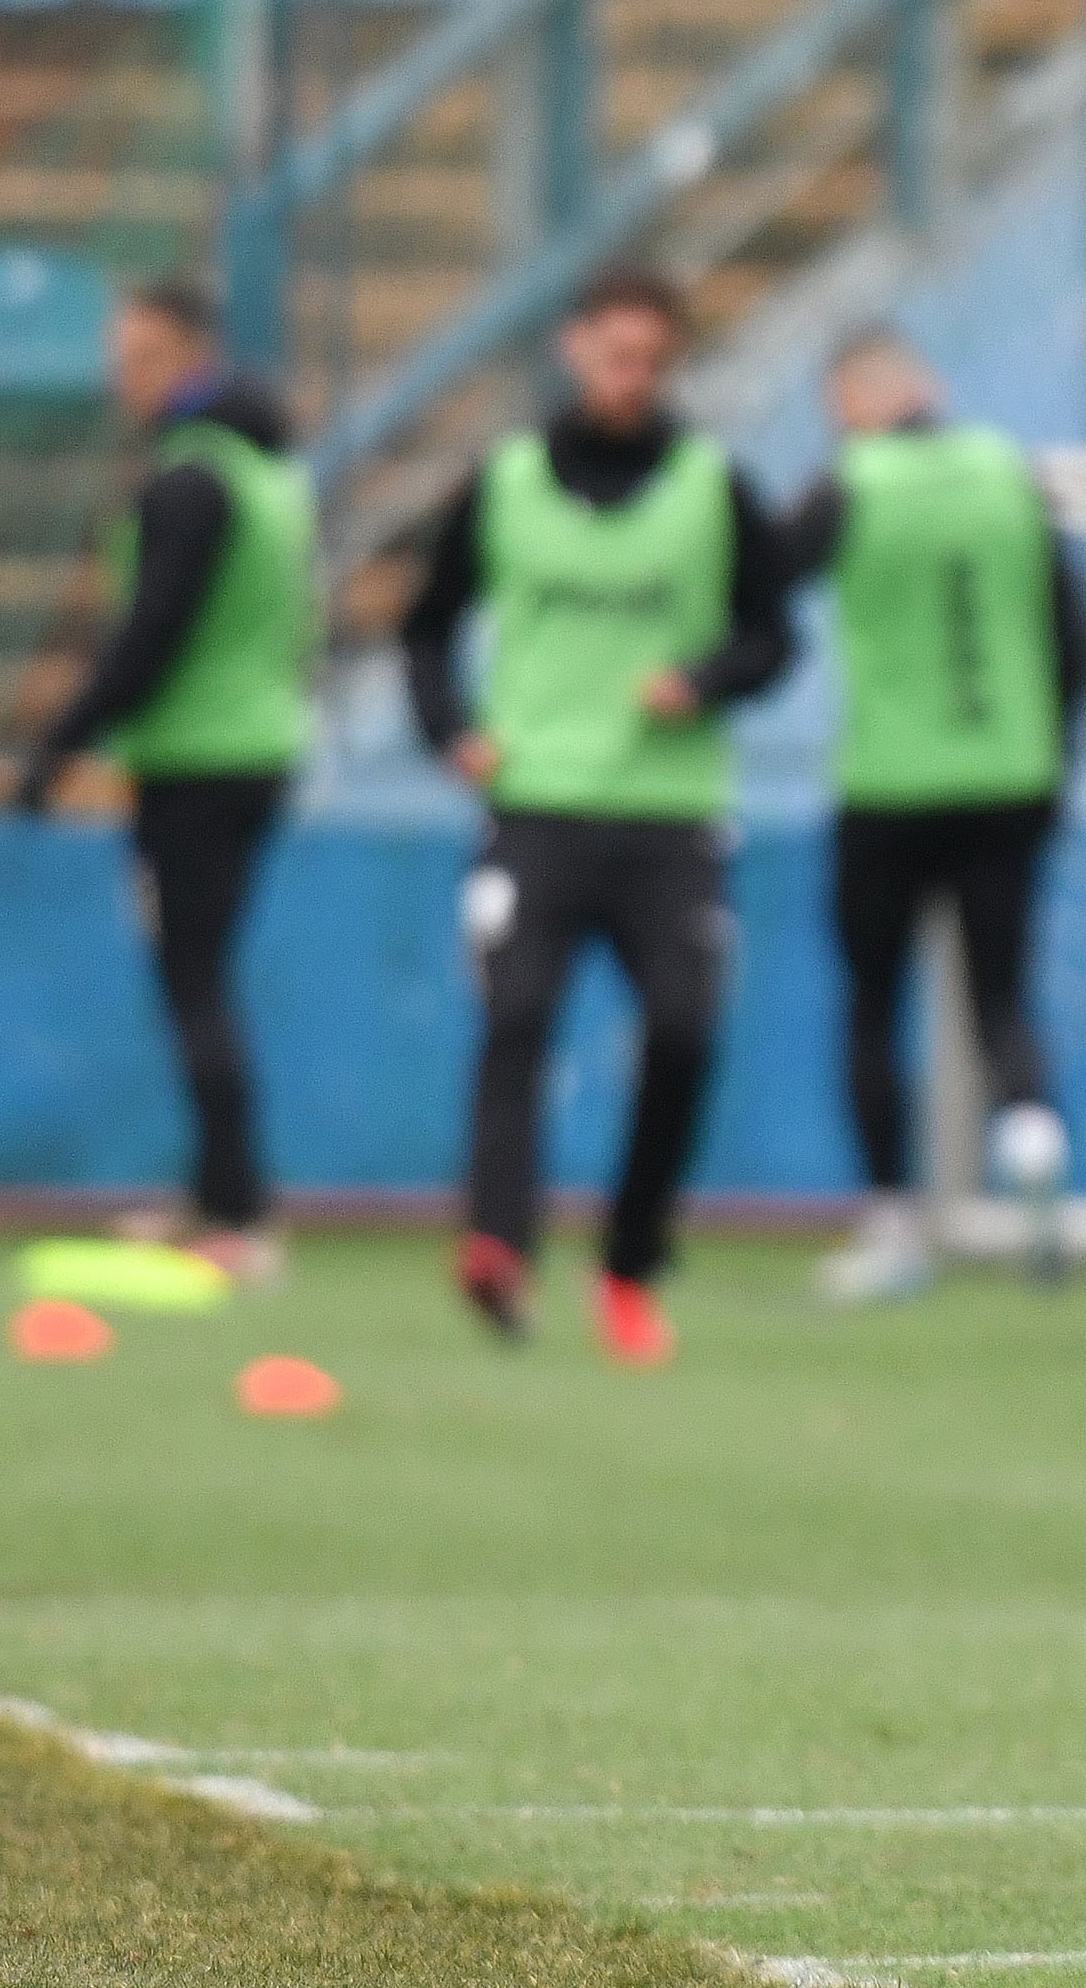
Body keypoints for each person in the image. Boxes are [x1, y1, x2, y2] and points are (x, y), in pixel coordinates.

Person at [401, 264, 795, 1365]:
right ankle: (498, 1245)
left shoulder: (714, 488)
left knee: (683, 1032)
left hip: (671, 815)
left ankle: (627, 1264)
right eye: (616, 354)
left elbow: (774, 636)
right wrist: (449, 729)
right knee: (517, 1016)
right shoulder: (506, 482)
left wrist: (704, 681)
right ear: (573, 349)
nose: (632, 376)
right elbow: (426, 627)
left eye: (652, 360)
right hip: (537, 804)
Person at [11, 276, 315, 1287]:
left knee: (194, 979)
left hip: (198, 758)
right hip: (258, 745)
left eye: (141, 357)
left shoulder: (191, 478)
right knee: (202, 974)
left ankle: (238, 1212)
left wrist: (60, 745)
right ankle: (218, 1192)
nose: (124, 377)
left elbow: (152, 632)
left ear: (191, 356)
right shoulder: (269, 471)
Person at [786, 329, 1086, 1303]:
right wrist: (1052, 755)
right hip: (1011, 775)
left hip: (888, 782)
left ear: (852, 401)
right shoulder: (1009, 472)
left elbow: (758, 587)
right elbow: (1073, 629)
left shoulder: (849, 485)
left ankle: (889, 1220)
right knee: (1001, 995)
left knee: (874, 1002)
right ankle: (1033, 1138)